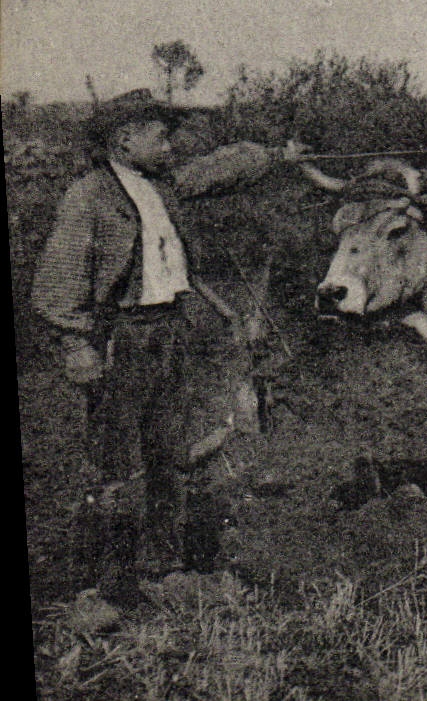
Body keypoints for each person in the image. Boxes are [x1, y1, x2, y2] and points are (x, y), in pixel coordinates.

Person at [31, 89, 301, 607]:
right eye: (160, 135)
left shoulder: (162, 184)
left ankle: (163, 570)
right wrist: (76, 343)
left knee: (168, 453)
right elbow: (58, 280)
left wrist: (275, 155)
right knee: (116, 461)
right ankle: (108, 585)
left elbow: (219, 170)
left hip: (169, 332)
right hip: (121, 338)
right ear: (124, 139)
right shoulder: (89, 196)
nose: (170, 144)